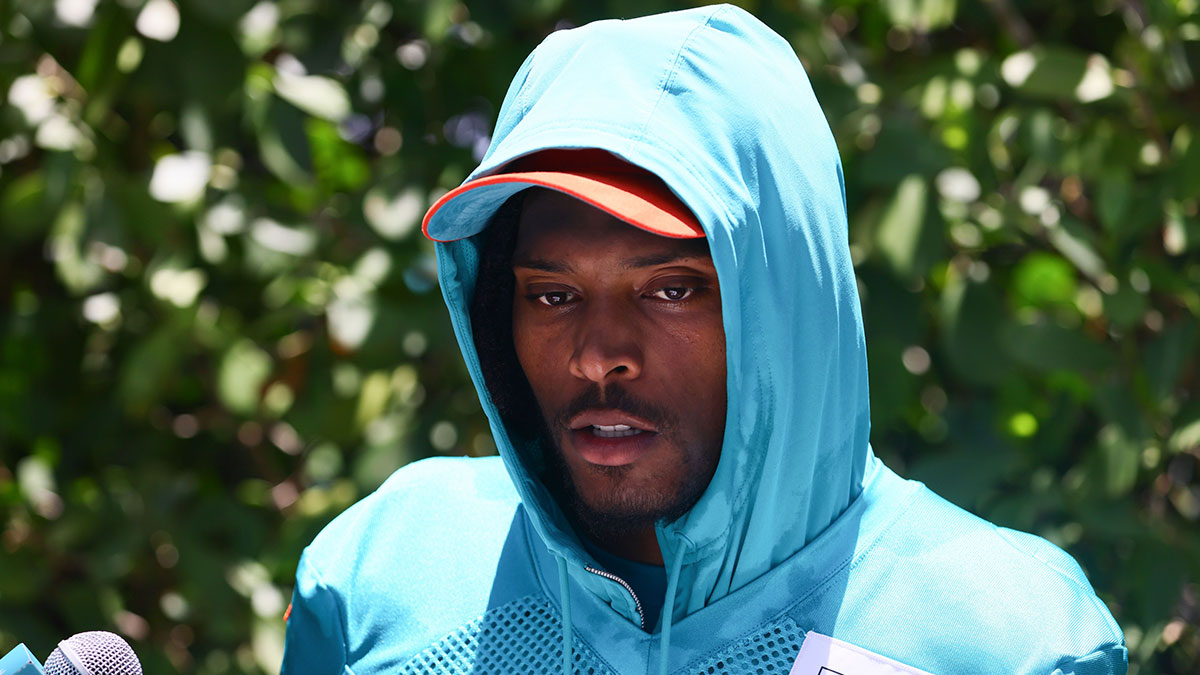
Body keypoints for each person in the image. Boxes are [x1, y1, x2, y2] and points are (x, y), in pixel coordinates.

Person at [281, 5, 1127, 674]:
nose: (596, 352)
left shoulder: (1004, 638)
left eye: (672, 288)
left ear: (786, 304)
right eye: (553, 293)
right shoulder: (386, 572)